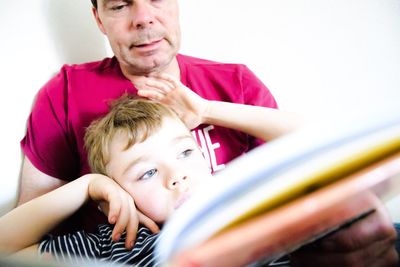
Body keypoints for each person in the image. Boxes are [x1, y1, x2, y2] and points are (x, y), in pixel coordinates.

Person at [17, 0, 399, 266]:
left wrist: (208, 110)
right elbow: (20, 234)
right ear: (99, 19)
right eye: (120, 5)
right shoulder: (64, 94)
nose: (144, 18)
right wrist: (92, 186)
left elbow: (316, 147)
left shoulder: (236, 83)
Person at [0, 94, 300, 266]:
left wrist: (208, 110)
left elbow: (312, 141)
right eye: (147, 173)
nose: (177, 176)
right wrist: (88, 186)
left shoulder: (250, 210)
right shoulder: (113, 246)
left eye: (185, 152)